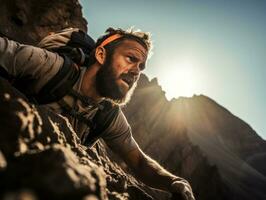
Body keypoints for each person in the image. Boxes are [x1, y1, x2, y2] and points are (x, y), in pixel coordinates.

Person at [0, 27, 195, 200]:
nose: (137, 72)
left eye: (141, 67)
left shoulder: (108, 115)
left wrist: (174, 181)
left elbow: (139, 161)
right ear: (101, 55)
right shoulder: (51, 67)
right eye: (131, 59)